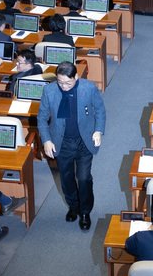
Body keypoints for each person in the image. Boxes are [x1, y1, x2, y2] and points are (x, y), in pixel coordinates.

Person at [39, 61, 105, 230]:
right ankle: (73, 207)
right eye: (60, 82)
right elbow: (41, 118)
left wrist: (98, 130)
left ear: (76, 77)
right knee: (66, 179)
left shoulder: (88, 88)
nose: (64, 86)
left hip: (84, 141)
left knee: (83, 178)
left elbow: (100, 110)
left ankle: (85, 212)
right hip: (62, 142)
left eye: (68, 82)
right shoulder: (49, 90)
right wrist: (46, 140)